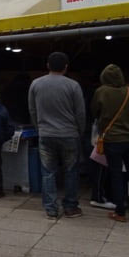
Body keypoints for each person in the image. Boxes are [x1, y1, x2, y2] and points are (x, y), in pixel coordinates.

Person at [28, 52, 86, 219]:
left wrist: (38, 128)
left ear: (47, 65)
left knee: (48, 172)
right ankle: (70, 207)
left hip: (45, 134)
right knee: (71, 171)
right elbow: (80, 112)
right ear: (66, 67)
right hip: (69, 134)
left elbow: (32, 110)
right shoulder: (73, 85)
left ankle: (51, 208)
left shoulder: (35, 84)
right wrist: (79, 131)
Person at [91, 64, 129, 223]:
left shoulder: (101, 92)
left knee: (116, 176)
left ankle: (120, 213)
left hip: (113, 140)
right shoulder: (128, 92)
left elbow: (95, 112)